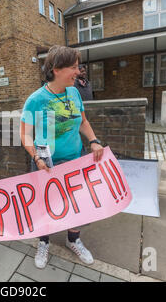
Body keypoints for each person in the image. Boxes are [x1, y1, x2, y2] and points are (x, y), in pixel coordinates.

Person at [20, 46, 104, 269]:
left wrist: (93, 140)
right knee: (46, 205)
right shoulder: (35, 100)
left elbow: (83, 122)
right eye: (74, 67)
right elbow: (25, 135)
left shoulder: (74, 92)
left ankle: (73, 239)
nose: (78, 71)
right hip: (46, 164)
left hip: (76, 159)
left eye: (78, 67)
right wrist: (36, 157)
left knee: (77, 203)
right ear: (56, 69)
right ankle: (44, 242)